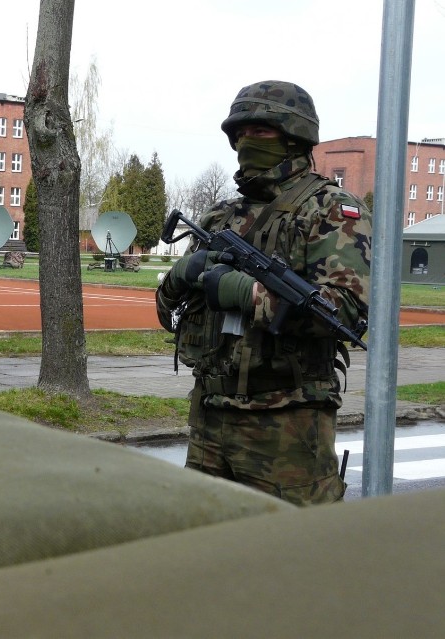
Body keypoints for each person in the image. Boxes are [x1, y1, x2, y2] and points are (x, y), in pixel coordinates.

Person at [156, 80, 372, 507]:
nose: (245, 142)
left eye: (261, 132)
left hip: (286, 427)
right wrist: (180, 276)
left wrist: (244, 291)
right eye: (240, 133)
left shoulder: (331, 210)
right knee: (202, 550)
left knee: (290, 558)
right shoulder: (221, 215)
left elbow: (343, 313)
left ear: (294, 137)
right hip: (210, 418)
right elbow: (170, 314)